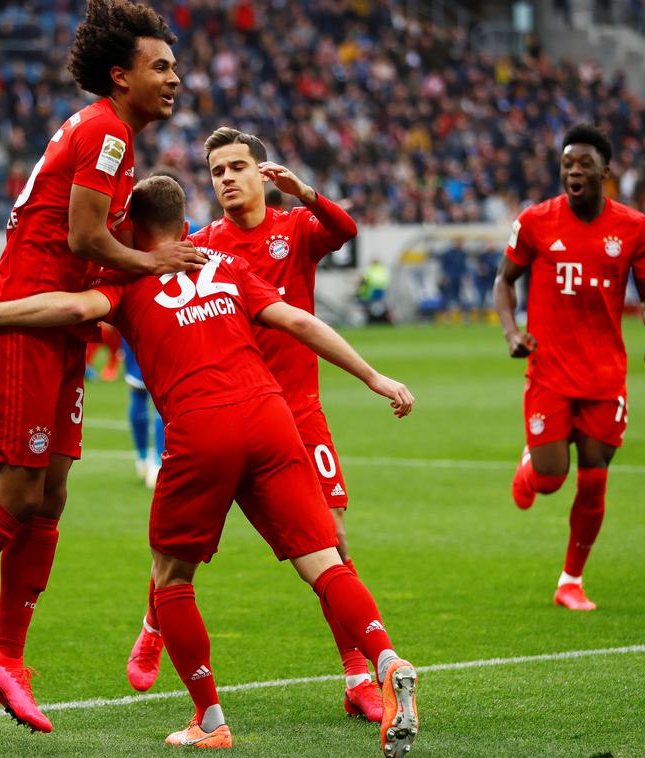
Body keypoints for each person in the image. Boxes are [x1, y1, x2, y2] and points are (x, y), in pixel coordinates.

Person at [0, 175, 420, 755]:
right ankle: (387, 658)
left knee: (172, 579)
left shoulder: (127, 276)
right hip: (271, 416)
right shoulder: (222, 262)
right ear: (182, 218)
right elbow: (298, 320)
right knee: (324, 561)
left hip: (203, 426)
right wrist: (375, 376)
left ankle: (210, 719)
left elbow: (72, 306)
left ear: (133, 224)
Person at [0, 0, 205, 732]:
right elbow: (87, 239)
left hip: (55, 332)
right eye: (161, 66)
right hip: (24, 320)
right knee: (21, 490)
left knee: (52, 494)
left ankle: (5, 658)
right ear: (120, 76)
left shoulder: (110, 136)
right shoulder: (109, 134)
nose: (174, 78)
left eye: (176, 66)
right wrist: (152, 261)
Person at [123, 127, 394, 722]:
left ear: (261, 173)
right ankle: (154, 623)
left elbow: (346, 233)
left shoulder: (294, 229)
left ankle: (356, 675)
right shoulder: (201, 244)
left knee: (333, 542)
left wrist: (308, 194)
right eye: (216, 170)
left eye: (237, 166)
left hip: (294, 409)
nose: (225, 178)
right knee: (181, 547)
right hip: (226, 408)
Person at [494, 123, 645, 611]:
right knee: (553, 479)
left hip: (604, 376)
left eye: (584, 164)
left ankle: (570, 580)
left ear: (604, 172)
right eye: (567, 163)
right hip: (549, 369)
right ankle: (533, 464)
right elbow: (505, 282)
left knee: (594, 477)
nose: (574, 170)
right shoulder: (535, 221)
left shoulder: (633, 227)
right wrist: (512, 333)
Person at [123, 336, 164, 489]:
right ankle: (158, 464)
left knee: (137, 390)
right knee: (165, 393)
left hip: (133, 324)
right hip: (164, 325)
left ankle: (143, 460)